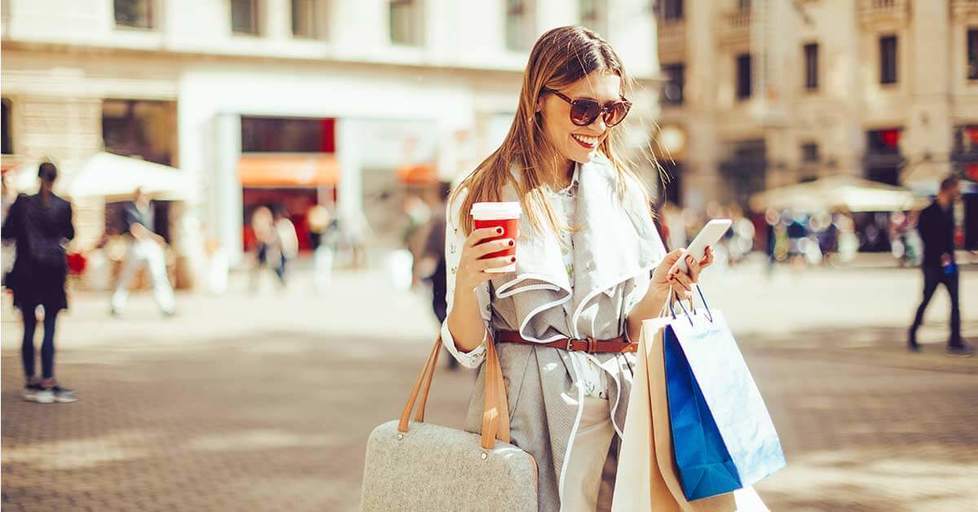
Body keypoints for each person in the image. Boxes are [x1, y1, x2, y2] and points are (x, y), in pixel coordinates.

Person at [440, 27, 716, 511]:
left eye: (614, 110)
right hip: (526, 416)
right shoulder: (480, 195)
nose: (599, 125)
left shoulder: (622, 192)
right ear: (538, 99)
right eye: (584, 108)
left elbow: (633, 329)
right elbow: (467, 349)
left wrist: (661, 287)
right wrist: (466, 281)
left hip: (619, 410)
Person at [2, 162, 78, 403]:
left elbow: (6, 234)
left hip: (26, 271)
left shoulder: (22, 204)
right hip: (53, 271)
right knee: (50, 327)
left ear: (37, 178)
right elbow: (69, 234)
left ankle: (31, 381)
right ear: (55, 179)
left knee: (28, 327)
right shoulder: (63, 205)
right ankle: (48, 379)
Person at [908, 175, 972, 356]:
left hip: (949, 265)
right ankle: (912, 333)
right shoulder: (928, 212)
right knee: (926, 299)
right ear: (948, 189)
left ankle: (955, 341)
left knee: (955, 303)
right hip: (932, 265)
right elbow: (925, 237)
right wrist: (940, 254)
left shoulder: (951, 211)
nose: (958, 192)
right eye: (956, 188)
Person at [110, 187, 176, 317]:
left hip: (151, 246)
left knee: (158, 276)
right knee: (127, 276)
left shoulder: (151, 208)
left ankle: (167, 305)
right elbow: (135, 229)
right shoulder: (129, 209)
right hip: (136, 246)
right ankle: (117, 304)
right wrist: (155, 237)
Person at [416, 182, 456, 369]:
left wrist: (420, 268)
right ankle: (454, 343)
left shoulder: (439, 214)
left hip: (442, 267)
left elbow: (431, 245)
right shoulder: (456, 211)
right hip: (455, 266)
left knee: (439, 306)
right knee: (450, 305)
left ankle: (452, 341)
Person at [307, 204, 339, 293]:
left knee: (324, 269)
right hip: (321, 250)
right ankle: (320, 285)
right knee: (320, 268)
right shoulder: (316, 231)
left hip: (326, 250)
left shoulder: (329, 229)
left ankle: (324, 285)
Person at [273, 206, 299, 287]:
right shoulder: (278, 225)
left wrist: (295, 247)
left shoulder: (287, 224)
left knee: (287, 266)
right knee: (282, 265)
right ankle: (284, 280)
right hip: (282, 250)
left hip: (288, 249)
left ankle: (286, 280)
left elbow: (292, 237)